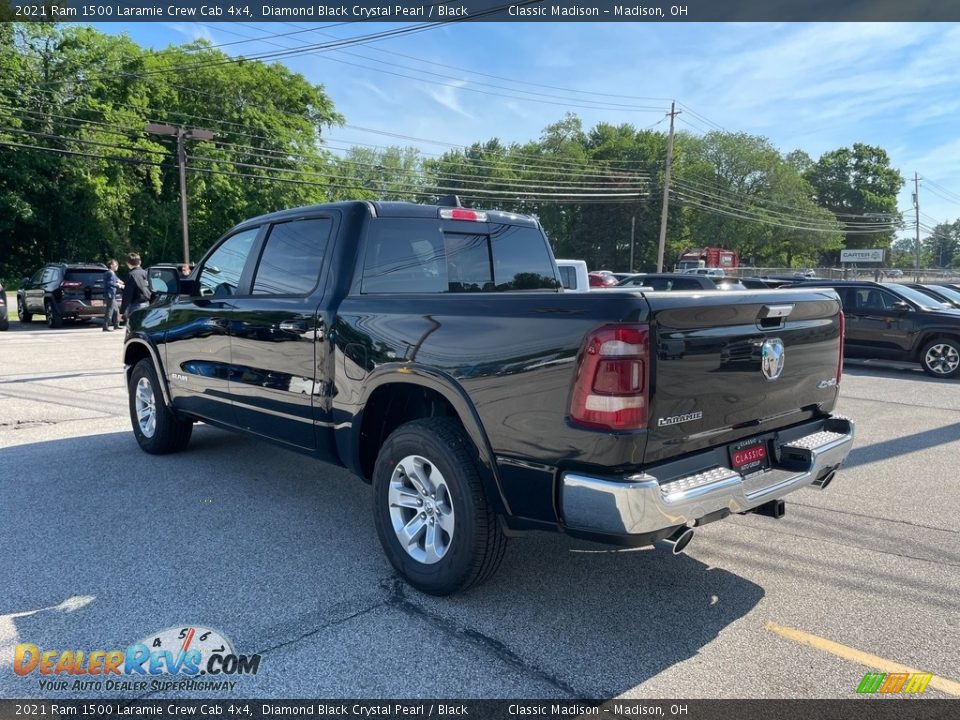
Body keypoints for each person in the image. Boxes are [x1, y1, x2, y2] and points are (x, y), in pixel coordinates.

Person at [120, 252, 152, 321]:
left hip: (136, 306)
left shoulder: (131, 275)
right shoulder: (145, 273)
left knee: (134, 328)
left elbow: (127, 294)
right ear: (139, 262)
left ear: (128, 263)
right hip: (147, 304)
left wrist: (122, 311)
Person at [102, 259, 124, 331]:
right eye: (116, 265)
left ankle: (116, 325)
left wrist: (120, 281)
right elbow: (110, 283)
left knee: (117, 310)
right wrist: (118, 285)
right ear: (111, 266)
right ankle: (106, 326)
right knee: (110, 310)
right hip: (110, 294)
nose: (117, 266)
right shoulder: (110, 273)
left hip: (112, 295)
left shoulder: (112, 273)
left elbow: (116, 279)